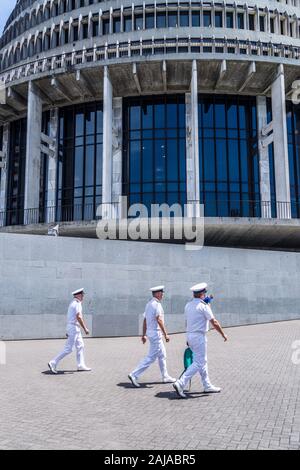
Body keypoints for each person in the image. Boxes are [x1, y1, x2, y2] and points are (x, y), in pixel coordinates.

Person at [173, 283, 227, 398]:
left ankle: (207, 385)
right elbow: (214, 322)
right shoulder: (204, 306)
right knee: (199, 362)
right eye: (205, 293)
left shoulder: (188, 305)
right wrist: (223, 334)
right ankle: (180, 383)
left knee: (203, 361)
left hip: (190, 335)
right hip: (199, 337)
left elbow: (187, 322)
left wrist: (187, 337)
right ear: (202, 294)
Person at [128, 285, 176, 387]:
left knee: (162, 354)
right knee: (151, 357)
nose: (163, 294)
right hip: (155, 334)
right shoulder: (157, 305)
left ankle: (165, 376)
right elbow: (159, 320)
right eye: (161, 293)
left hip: (151, 333)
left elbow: (145, 320)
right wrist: (166, 334)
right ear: (157, 293)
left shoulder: (149, 304)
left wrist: (144, 334)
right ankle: (134, 374)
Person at [48, 288, 91, 374]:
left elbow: (71, 317)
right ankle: (53, 362)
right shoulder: (77, 303)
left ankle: (81, 365)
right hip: (74, 328)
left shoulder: (72, 303)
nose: (83, 296)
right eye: (82, 295)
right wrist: (85, 328)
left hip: (74, 328)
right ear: (78, 295)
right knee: (68, 349)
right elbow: (79, 317)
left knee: (80, 346)